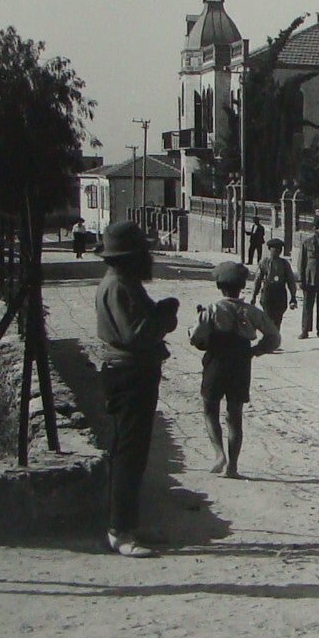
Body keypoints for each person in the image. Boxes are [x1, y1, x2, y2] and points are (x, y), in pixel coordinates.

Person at [94, 220, 180, 556]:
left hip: (133, 372)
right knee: (129, 452)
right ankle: (121, 531)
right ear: (130, 256)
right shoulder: (119, 286)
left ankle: (128, 523)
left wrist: (158, 311)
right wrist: (165, 317)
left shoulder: (124, 282)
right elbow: (136, 334)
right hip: (129, 373)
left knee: (134, 450)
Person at [192, 261, 280, 477]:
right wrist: (254, 351)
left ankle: (219, 453)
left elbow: (195, 338)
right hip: (241, 362)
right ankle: (233, 466)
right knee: (235, 415)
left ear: (219, 286)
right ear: (242, 286)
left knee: (210, 408)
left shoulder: (211, 309)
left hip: (216, 362)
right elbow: (274, 337)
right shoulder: (251, 312)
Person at [251, 236, 299, 337]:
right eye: (275, 249)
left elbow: (290, 281)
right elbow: (258, 280)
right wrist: (254, 296)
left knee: (278, 318)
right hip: (268, 292)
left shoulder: (285, 264)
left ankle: (274, 338)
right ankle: (269, 338)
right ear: (269, 249)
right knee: (268, 317)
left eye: (280, 249)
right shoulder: (264, 262)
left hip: (280, 292)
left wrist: (293, 297)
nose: (278, 251)